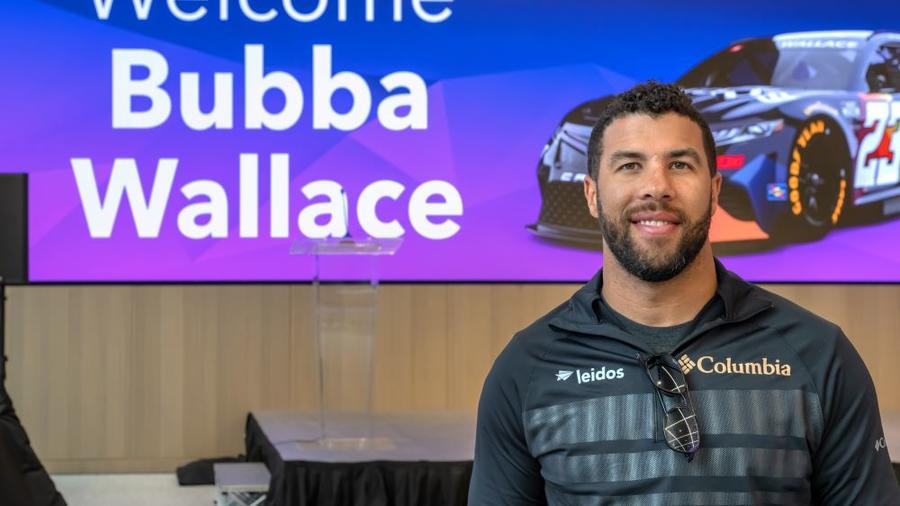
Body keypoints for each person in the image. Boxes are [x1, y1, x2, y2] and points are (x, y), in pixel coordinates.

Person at [468, 81, 900, 504]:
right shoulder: (527, 369)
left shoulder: (820, 356)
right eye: (629, 165)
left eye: (679, 164)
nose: (656, 187)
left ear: (714, 192)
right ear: (592, 195)